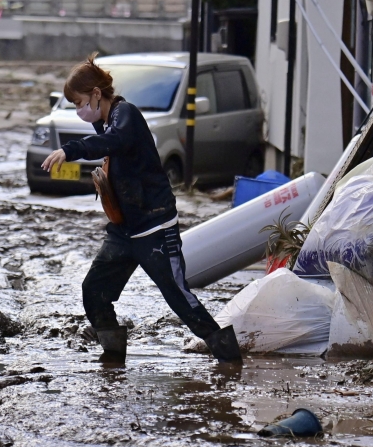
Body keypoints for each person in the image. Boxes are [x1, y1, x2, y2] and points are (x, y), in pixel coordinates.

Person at [41, 54, 242, 364]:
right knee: (94, 290)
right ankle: (113, 356)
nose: (79, 110)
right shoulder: (104, 120)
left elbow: (115, 141)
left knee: (178, 296)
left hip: (155, 228)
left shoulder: (126, 115)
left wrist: (69, 150)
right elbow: (109, 144)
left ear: (97, 94)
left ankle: (228, 356)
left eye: (80, 102)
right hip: (124, 231)